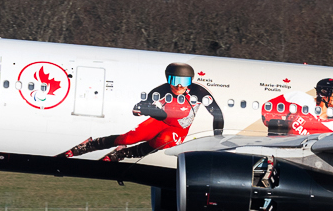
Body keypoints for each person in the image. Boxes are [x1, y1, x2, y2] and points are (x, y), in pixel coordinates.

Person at [59, 62, 223, 161]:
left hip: (179, 128)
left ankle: (126, 153)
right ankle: (90, 145)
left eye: (184, 82)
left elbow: (217, 113)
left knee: (165, 141)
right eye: (175, 81)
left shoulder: (199, 92)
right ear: (168, 79)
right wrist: (141, 110)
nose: (179, 86)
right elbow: (143, 106)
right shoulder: (161, 90)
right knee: (129, 137)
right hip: (161, 121)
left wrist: (218, 137)